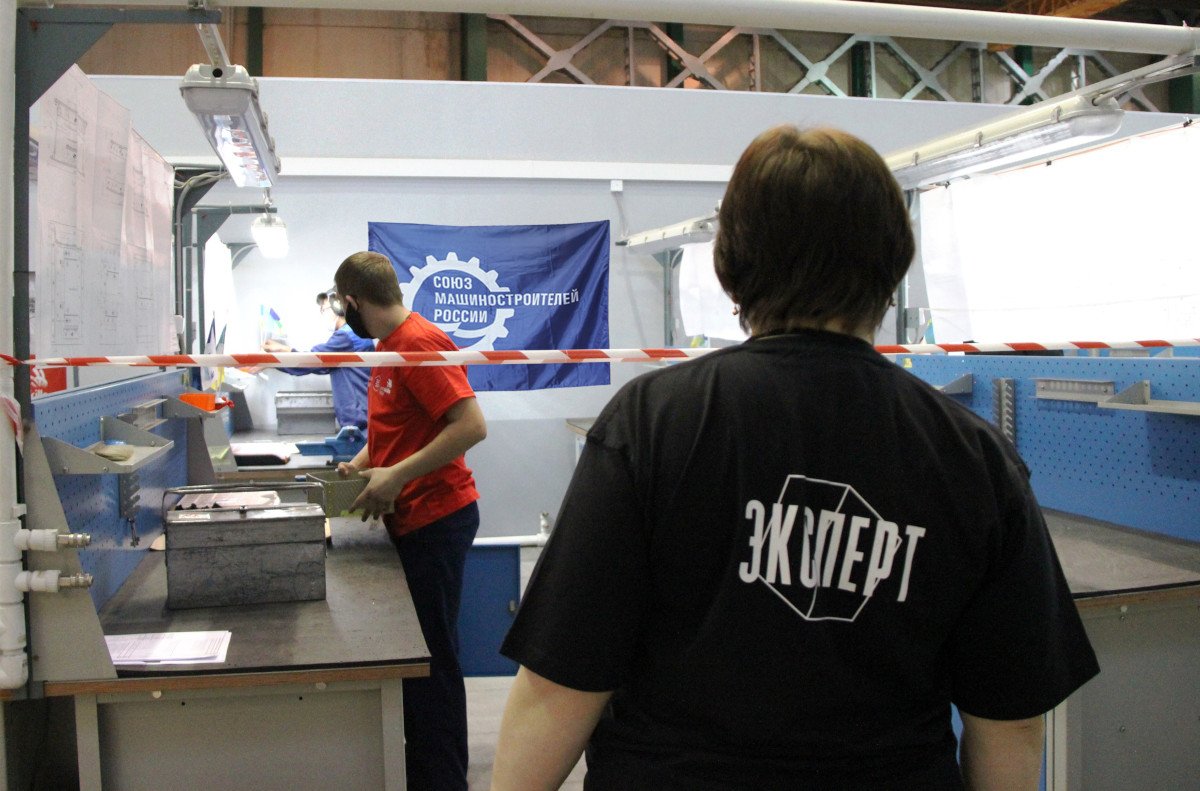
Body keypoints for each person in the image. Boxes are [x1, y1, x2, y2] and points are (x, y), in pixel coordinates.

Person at [491, 126, 1099, 791]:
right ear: (894, 262)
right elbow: (1011, 720)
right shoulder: (975, 457)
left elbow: (559, 687)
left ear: (731, 262)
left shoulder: (651, 423)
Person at [334, 251, 487, 791]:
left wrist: (396, 475)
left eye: (343, 307)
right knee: (417, 661)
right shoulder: (389, 345)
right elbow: (398, 428)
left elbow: (470, 426)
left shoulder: (419, 344)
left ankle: (443, 781)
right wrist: (361, 465)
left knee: (432, 664)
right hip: (411, 518)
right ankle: (423, 772)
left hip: (436, 518)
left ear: (353, 301)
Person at [261, 289, 375, 431]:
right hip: (362, 415)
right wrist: (283, 352)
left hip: (360, 419)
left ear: (338, 307)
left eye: (324, 309)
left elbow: (312, 361)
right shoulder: (353, 334)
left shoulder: (346, 337)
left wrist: (273, 359)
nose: (323, 314)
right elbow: (321, 363)